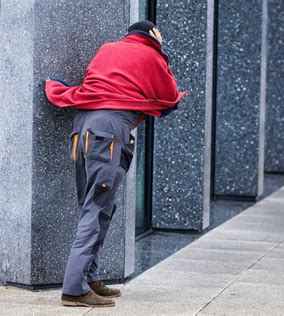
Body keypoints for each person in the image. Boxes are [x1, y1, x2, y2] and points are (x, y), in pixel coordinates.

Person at [44, 20, 189, 308]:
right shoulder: (151, 54)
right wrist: (161, 50)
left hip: (83, 127)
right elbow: (170, 96)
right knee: (97, 207)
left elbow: (95, 82)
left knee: (96, 205)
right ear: (150, 34)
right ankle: (73, 289)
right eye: (158, 34)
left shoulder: (108, 48)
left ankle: (88, 278)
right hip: (108, 131)